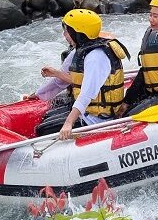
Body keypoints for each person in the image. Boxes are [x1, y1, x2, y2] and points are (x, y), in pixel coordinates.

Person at [27, 9, 130, 139]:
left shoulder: (96, 56)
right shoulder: (80, 49)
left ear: (78, 33)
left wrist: (69, 123)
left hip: (98, 119)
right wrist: (38, 94)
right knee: (46, 118)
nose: (64, 35)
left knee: (43, 130)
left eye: (67, 31)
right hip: (86, 112)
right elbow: (61, 79)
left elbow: (87, 94)